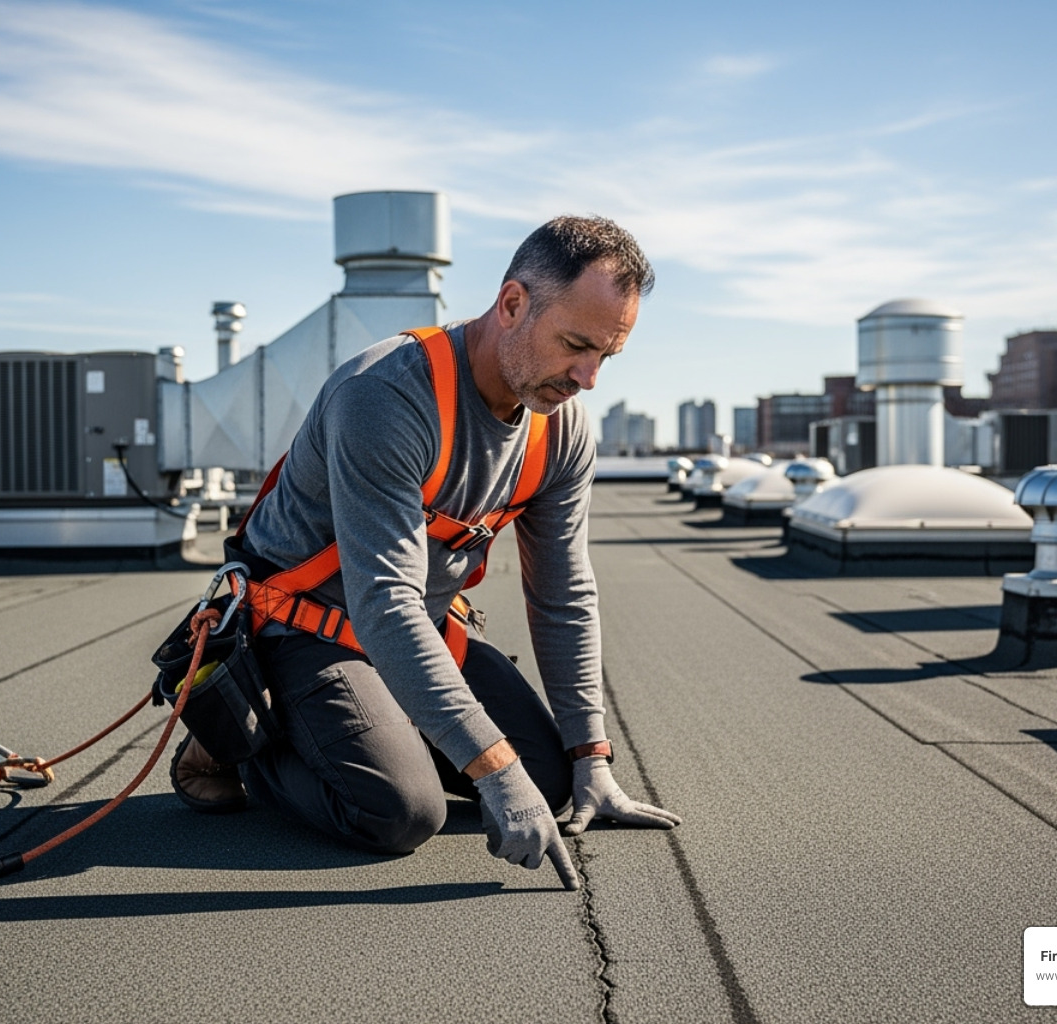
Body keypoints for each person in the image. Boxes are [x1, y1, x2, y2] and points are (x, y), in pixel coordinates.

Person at [171, 215, 680, 889]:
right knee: (402, 812)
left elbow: (563, 595)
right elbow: (383, 601)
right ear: (511, 304)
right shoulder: (386, 396)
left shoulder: (559, 431)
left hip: (417, 633)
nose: (588, 378)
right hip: (306, 630)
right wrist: (493, 770)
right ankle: (234, 742)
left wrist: (592, 757)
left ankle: (387, 726)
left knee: (552, 780)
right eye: (575, 345)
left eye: (606, 357)